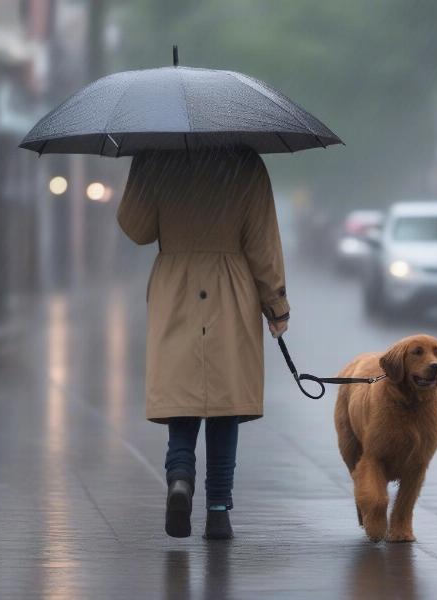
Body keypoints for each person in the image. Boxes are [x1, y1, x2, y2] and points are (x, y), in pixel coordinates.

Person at [116, 145, 290, 539]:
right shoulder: (245, 162)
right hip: (231, 284)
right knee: (225, 403)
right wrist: (275, 305)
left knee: (182, 395)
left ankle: (180, 477)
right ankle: (218, 509)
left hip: (174, 284)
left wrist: (142, 168)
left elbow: (136, 228)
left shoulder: (156, 157)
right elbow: (263, 242)